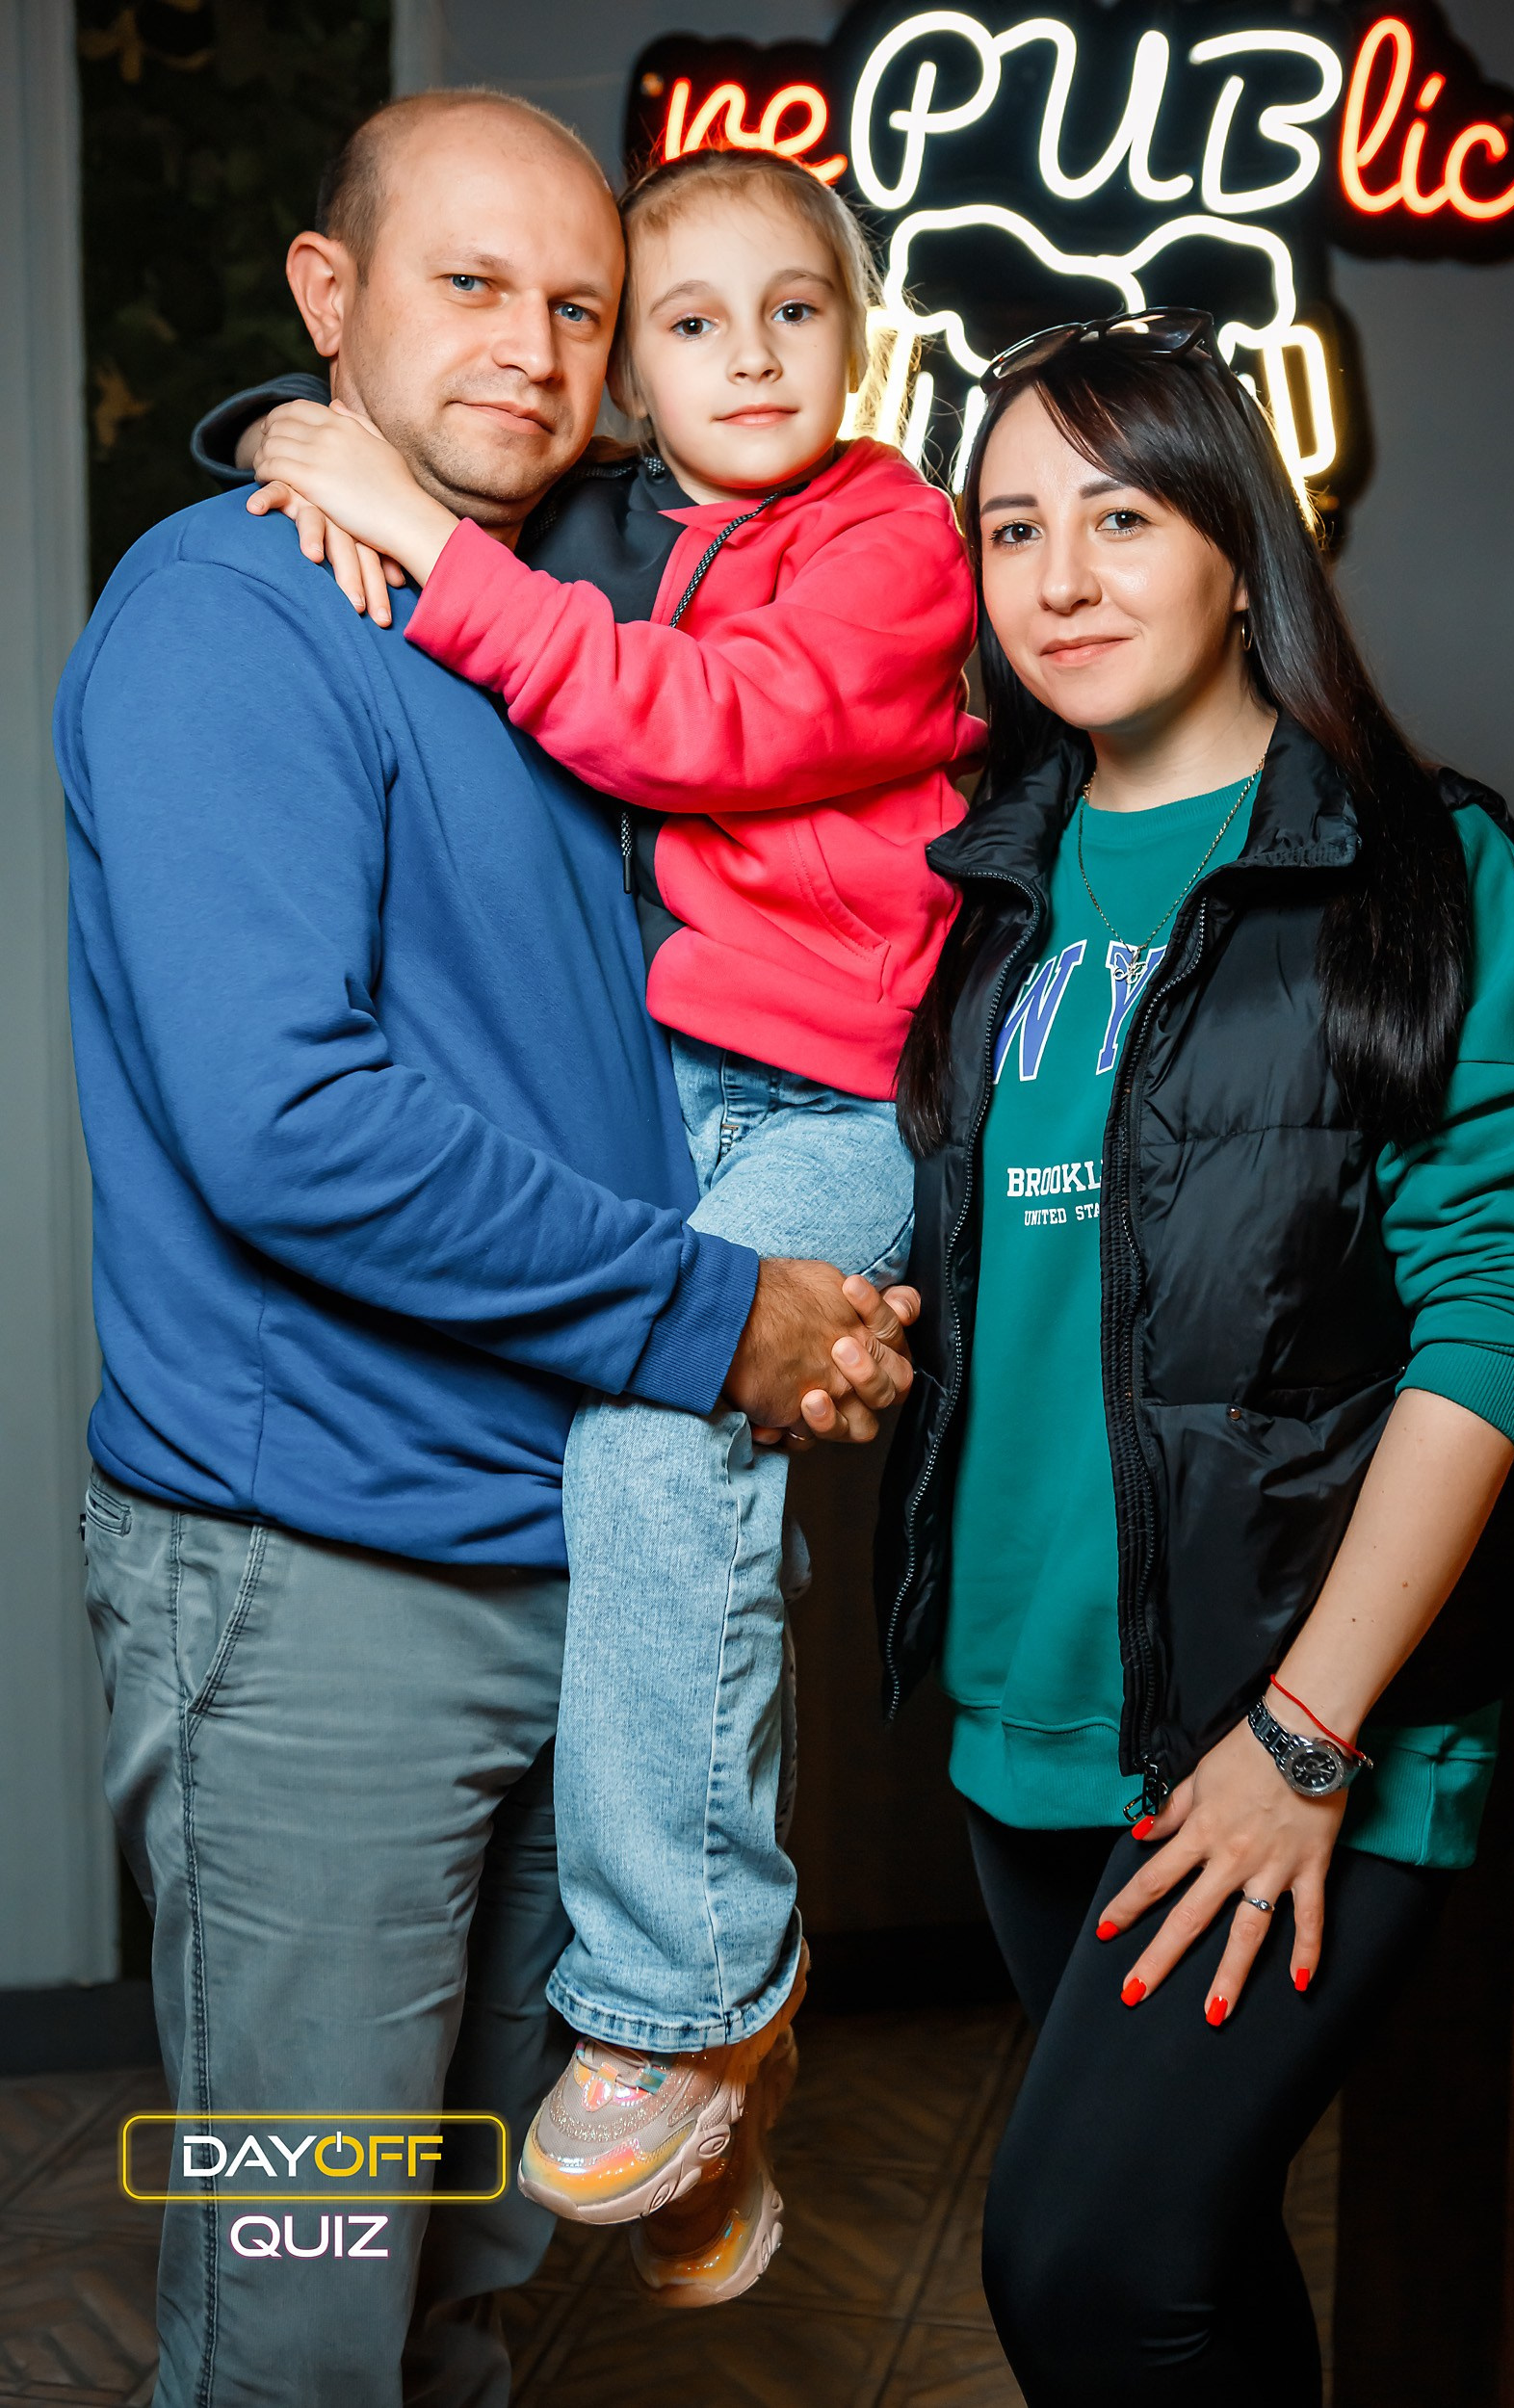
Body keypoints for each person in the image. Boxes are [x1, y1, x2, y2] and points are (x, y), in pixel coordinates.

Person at [57, 92, 913, 2408]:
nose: (533, 347)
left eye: (576, 304)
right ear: (327, 296)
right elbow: (292, 1130)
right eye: (467, 284)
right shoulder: (234, 612)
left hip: (576, 1556)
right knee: (308, 2296)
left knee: (468, 2266)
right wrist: (727, 1318)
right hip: (318, 1592)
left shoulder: (576, 611)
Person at [875, 310, 1514, 2405]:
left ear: (1235, 542)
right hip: (1033, 1708)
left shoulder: (1424, 869)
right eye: (1013, 528)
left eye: (1121, 516)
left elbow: (1501, 1311)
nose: (1062, 577)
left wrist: (1305, 1733)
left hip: (1290, 1729)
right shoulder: (983, 889)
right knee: (1186, 2264)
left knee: (1080, 2264)